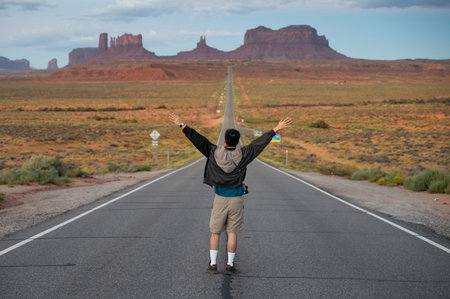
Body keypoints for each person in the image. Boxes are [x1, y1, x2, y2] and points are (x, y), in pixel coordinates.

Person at [169, 113, 292, 274]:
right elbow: (259, 143)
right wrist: (275, 129)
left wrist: (181, 124)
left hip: (220, 198)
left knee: (215, 233)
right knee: (232, 232)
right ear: (238, 141)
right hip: (236, 199)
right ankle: (230, 265)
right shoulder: (245, 153)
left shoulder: (213, 152)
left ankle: (213, 264)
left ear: (225, 140)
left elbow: (198, 140)